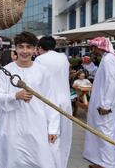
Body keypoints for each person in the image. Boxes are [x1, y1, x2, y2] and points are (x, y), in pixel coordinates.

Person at [0, 31, 59, 168]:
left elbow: (51, 100)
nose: (24, 51)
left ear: (35, 49)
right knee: (11, 160)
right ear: (15, 49)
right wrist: (15, 96)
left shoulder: (43, 71)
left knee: (39, 160)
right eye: (21, 47)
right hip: (11, 127)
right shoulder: (5, 71)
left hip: (36, 126)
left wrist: (53, 128)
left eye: (29, 47)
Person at [83, 37, 115, 168]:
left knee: (106, 134)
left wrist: (106, 105)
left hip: (107, 106)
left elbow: (111, 82)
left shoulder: (108, 60)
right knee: (102, 133)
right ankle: (102, 162)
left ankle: (108, 164)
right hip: (104, 104)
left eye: (93, 48)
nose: (92, 50)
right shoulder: (107, 59)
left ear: (99, 47)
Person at [35, 36, 72, 168]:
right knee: (65, 135)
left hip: (49, 100)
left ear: (40, 47)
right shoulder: (63, 58)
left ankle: (51, 163)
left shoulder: (39, 60)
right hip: (65, 99)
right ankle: (62, 163)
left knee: (50, 136)